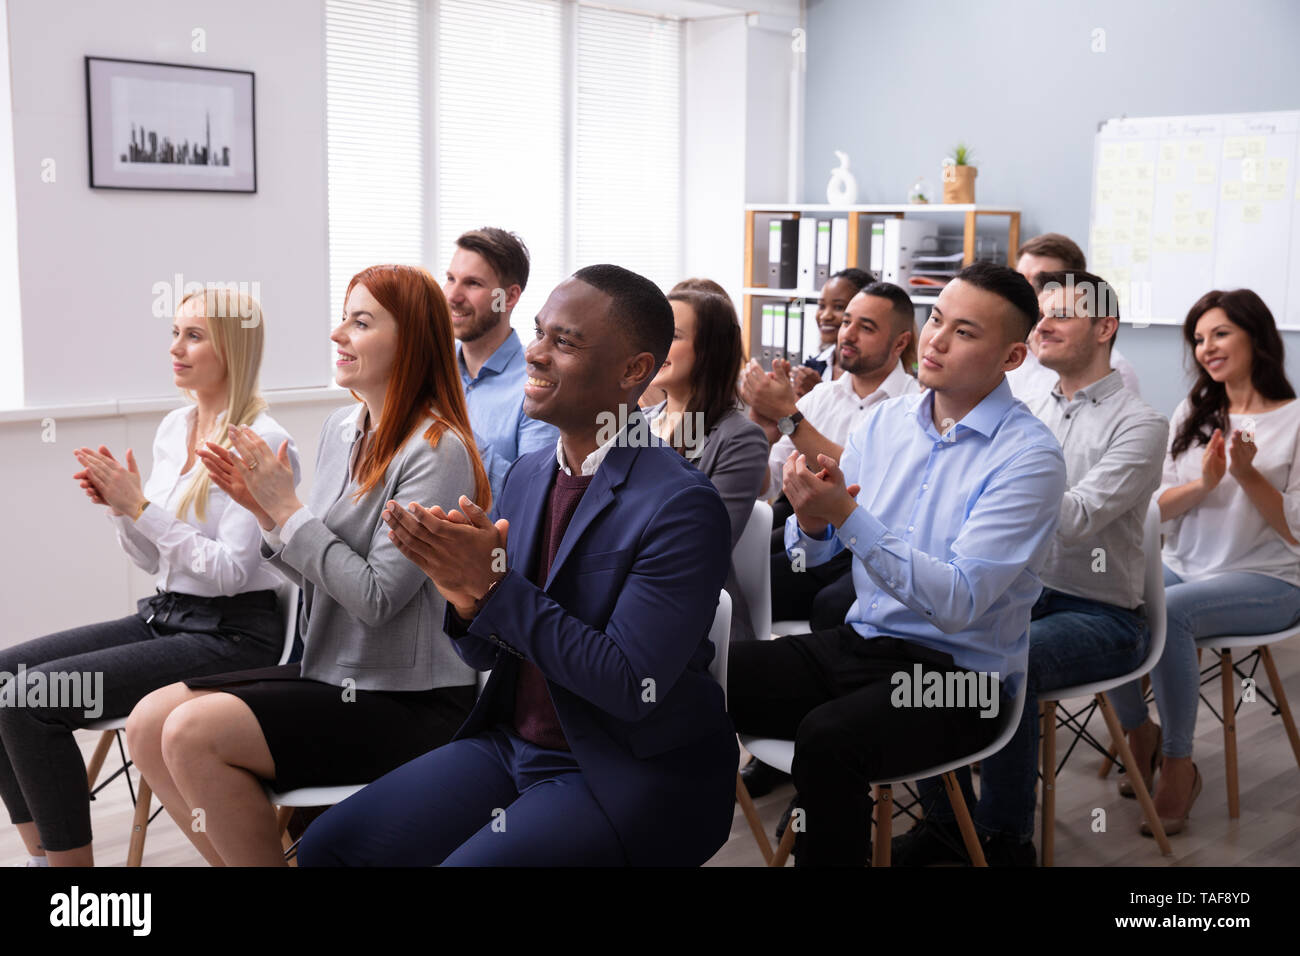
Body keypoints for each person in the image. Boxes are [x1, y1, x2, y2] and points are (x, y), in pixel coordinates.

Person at [296, 264, 737, 867]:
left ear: (634, 371)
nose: (534, 353)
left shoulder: (682, 505)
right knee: (329, 847)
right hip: (512, 745)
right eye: (539, 333)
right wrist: (464, 597)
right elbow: (484, 654)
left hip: (615, 767)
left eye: (565, 342)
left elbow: (630, 686)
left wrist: (494, 589)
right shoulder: (531, 475)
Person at [125, 265, 487, 867]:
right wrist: (268, 516)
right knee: (147, 723)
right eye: (344, 317)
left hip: (408, 699)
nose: (338, 334)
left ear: (413, 340)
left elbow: (375, 598)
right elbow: (321, 571)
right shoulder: (343, 429)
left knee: (190, 733)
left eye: (361, 321)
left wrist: (287, 512)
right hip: (329, 672)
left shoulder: (436, 450)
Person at [728, 261, 1067, 866]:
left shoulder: (1030, 457)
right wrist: (810, 523)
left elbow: (958, 603)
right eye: (937, 318)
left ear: (1013, 358)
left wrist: (846, 518)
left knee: (829, 739)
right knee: (705, 670)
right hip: (865, 642)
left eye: (965, 332)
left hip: (965, 679)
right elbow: (817, 558)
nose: (937, 339)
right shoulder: (882, 425)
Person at [0, 287, 297, 867]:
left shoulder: (263, 440)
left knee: (28, 701)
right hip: (167, 614)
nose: (175, 349)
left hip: (233, 636)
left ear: (232, 349)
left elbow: (233, 573)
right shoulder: (174, 427)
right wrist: (122, 509)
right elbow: (156, 559)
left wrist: (144, 510)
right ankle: (44, 862)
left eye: (193, 335)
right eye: (173, 333)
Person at [897, 271, 1168, 865]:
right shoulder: (1022, 406)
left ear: (1104, 328)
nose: (1043, 324)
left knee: (1005, 658)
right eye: (1039, 313)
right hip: (1022, 592)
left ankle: (1004, 838)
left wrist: (1003, 494)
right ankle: (947, 824)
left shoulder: (1141, 423)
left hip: (1100, 613)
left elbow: (1073, 519)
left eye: (1061, 315)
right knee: (919, 639)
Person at [1109, 289, 1300, 836]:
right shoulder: (1192, 411)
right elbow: (1157, 506)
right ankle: (1136, 730)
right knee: (1111, 595)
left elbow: (1295, 529)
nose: (1206, 348)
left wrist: (1247, 476)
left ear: (1256, 338)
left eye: (1219, 334)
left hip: (1270, 578)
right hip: (1188, 564)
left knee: (1171, 614)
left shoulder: (1294, 420)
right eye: (1198, 338)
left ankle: (1178, 763)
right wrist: (1207, 483)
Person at [737, 280, 921, 798]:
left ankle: (817, 756)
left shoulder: (912, 405)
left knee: (828, 600)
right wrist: (764, 422)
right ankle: (780, 726)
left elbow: (871, 483)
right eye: (846, 323)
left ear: (901, 343)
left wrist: (790, 416)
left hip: (869, 546)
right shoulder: (823, 394)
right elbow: (775, 483)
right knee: (736, 577)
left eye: (866, 326)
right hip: (814, 533)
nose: (847, 334)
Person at [644, 287, 769, 641]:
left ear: (709, 350)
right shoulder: (635, 424)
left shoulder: (740, 437)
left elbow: (703, 545)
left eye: (673, 335)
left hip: (694, 620)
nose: (656, 342)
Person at [445, 227, 559, 502]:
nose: (453, 296)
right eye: (450, 279)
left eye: (473, 283)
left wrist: (454, 433)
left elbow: (529, 496)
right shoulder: (429, 367)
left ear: (508, 297)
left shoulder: (538, 382)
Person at [1008, 232, 1141, 399]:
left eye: (1042, 280)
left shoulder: (1113, 368)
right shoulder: (1007, 354)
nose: (1025, 289)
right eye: (1022, 278)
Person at [792, 268, 875, 398]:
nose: (825, 316)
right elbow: (791, 418)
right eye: (821, 306)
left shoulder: (873, 374)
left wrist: (817, 393)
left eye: (838, 307)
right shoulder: (813, 367)